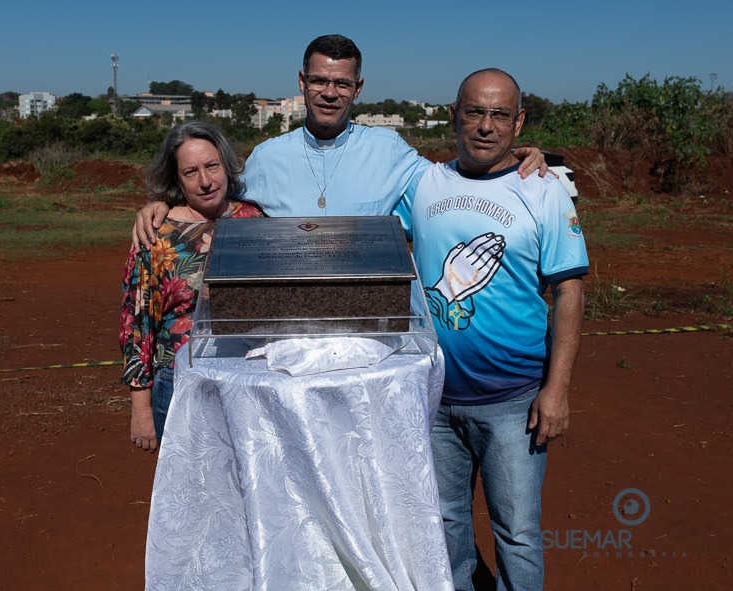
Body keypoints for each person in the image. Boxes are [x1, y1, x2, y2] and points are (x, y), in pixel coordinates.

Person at [393, 68, 588, 589]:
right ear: (453, 116)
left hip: (514, 401)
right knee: (445, 523)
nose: (485, 125)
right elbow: (359, 226)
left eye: (500, 114)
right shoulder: (423, 184)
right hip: (433, 398)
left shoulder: (544, 192)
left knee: (518, 534)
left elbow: (569, 292)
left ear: (518, 122)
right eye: (474, 112)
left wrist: (558, 389)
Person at [131, 34, 548, 247]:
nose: (330, 93)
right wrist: (163, 205)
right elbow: (213, 199)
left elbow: (455, 181)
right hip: (287, 324)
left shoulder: (390, 151)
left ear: (359, 87)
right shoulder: (265, 158)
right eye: (319, 80)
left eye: (342, 83)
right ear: (302, 81)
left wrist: (515, 160)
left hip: (363, 326)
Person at [118, 121, 263, 452]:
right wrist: (140, 411)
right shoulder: (156, 236)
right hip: (180, 383)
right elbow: (137, 325)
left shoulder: (256, 220)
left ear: (226, 164)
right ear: (176, 180)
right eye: (190, 172)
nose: (206, 181)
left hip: (248, 380)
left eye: (212, 166)